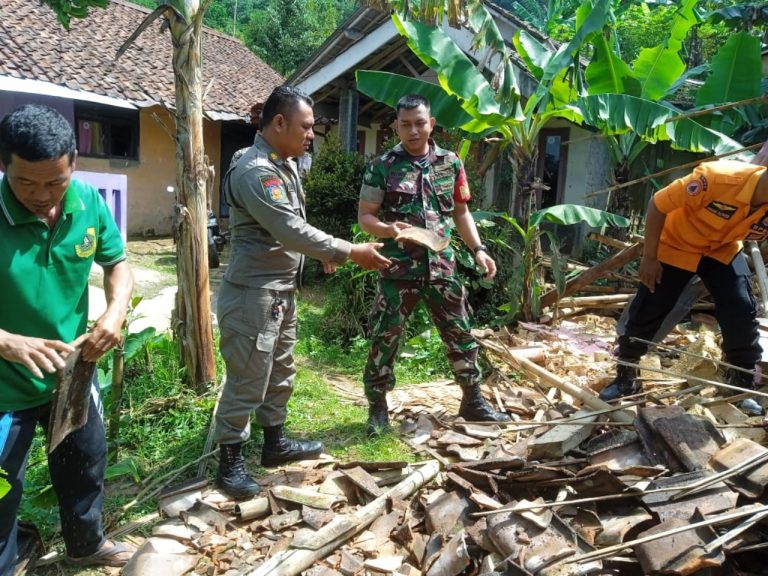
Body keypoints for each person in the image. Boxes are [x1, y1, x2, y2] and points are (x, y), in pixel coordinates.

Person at [213, 85, 390, 499]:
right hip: (254, 293)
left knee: (280, 371)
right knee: (248, 377)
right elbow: (287, 229)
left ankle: (274, 443)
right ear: (278, 123)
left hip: (281, 290)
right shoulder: (255, 171)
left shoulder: (284, 162)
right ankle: (230, 460)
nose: (312, 134)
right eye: (306, 127)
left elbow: (294, 223)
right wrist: (348, 251)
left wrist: (317, 253)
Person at [0, 104, 135, 570]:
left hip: (70, 374)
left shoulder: (88, 202)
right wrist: (6, 342)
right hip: (4, 387)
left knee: (85, 463)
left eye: (55, 182)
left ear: (73, 165)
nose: (43, 196)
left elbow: (117, 262)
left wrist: (115, 311)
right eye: (26, 183)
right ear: (4, 166)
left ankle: (85, 545)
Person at [358, 94, 511, 436]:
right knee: (385, 338)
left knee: (461, 334)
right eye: (405, 124)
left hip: (442, 266)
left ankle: (473, 401)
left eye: (419, 123)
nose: (413, 131)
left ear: (432, 124)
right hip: (398, 270)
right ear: (396, 126)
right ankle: (377, 407)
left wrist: (479, 249)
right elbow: (366, 217)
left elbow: (461, 212)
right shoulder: (382, 166)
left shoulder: (450, 162)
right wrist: (387, 229)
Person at [600, 141, 768, 416]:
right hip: (678, 244)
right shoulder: (717, 178)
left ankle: (740, 384)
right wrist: (650, 258)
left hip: (722, 249)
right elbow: (658, 204)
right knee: (652, 305)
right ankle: (625, 377)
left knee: (741, 308)